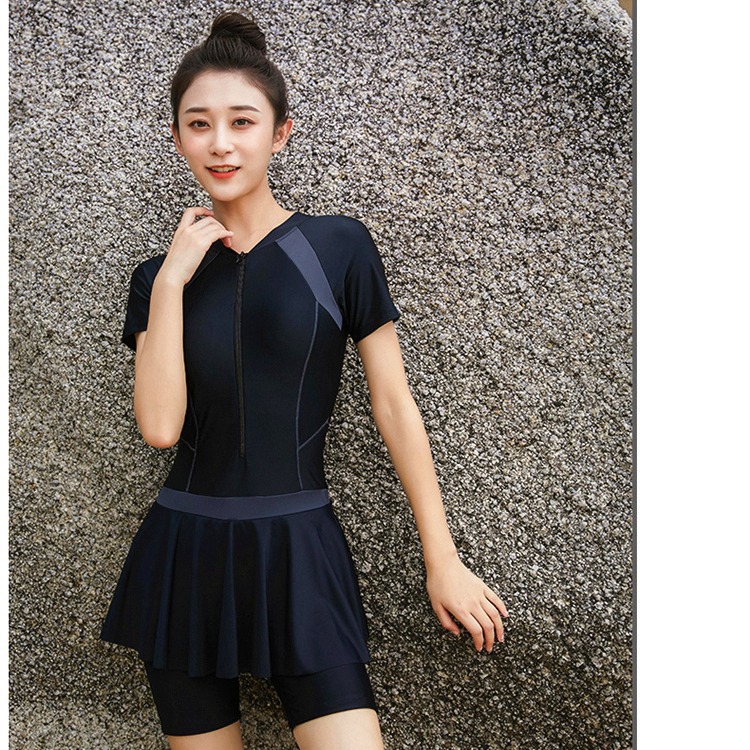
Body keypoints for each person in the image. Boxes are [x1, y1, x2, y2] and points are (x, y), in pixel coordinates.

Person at [100, 10, 509, 750]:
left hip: (299, 551)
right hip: (184, 556)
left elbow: (393, 403)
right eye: (199, 124)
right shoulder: (157, 278)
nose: (221, 143)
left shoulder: (338, 246)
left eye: (242, 122)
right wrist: (171, 282)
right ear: (178, 138)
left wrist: (441, 558)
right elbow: (159, 428)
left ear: (280, 134)